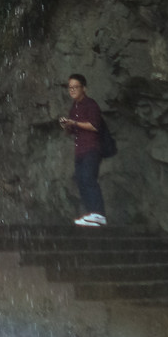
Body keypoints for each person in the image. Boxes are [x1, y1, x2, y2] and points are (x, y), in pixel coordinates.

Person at [59, 73, 106, 227]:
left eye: (75, 87)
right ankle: (91, 214)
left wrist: (75, 122)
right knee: (80, 180)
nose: (72, 90)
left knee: (88, 178)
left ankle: (98, 214)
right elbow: (72, 131)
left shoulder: (90, 104)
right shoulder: (75, 107)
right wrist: (67, 126)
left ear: (83, 88)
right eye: (70, 87)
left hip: (91, 149)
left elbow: (94, 126)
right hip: (79, 151)